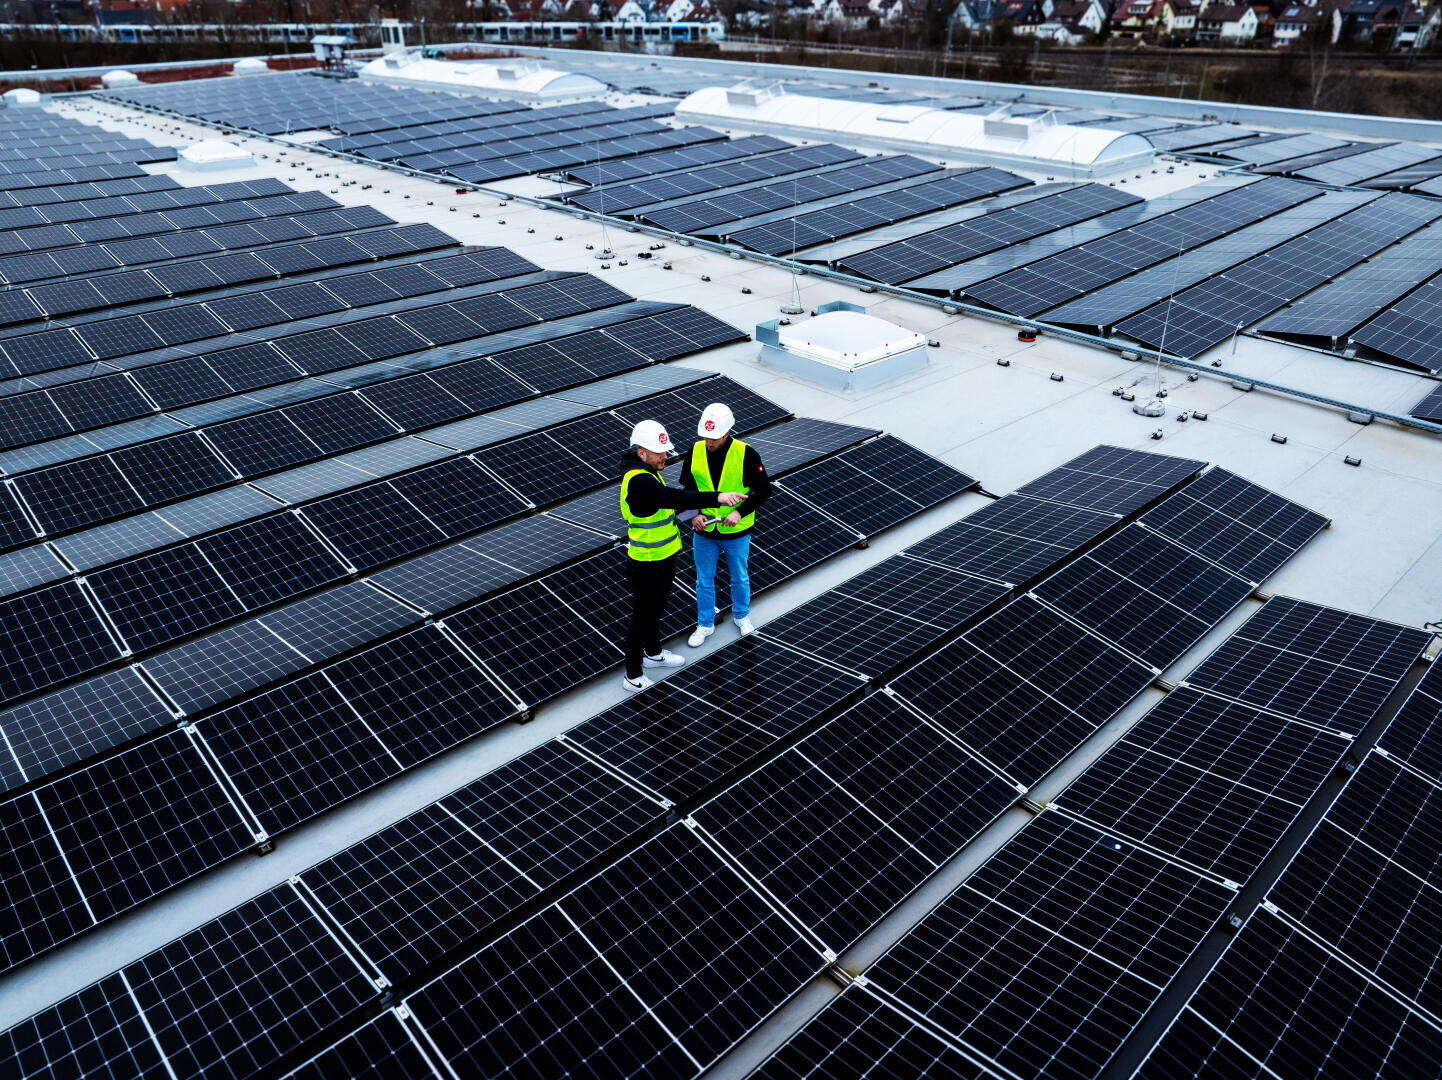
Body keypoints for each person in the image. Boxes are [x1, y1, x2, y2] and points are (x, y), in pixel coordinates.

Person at [619, 420, 744, 694]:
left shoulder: (649, 472)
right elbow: (672, 497)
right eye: (659, 451)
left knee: (656, 611)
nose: (666, 455)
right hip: (646, 563)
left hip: (663, 558)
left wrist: (695, 516)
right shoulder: (639, 481)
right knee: (642, 617)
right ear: (642, 453)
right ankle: (632, 674)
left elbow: (667, 506)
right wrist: (718, 498)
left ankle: (653, 655)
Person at [680, 403, 772, 646]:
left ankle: (742, 616)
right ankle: (705, 624)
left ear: (727, 432)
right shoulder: (695, 451)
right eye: (706, 437)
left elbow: (764, 490)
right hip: (705, 530)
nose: (709, 442)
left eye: (714, 438)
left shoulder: (746, 454)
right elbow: (687, 491)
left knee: (739, 577)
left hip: (737, 531)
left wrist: (740, 513)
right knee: (703, 579)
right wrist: (693, 515)